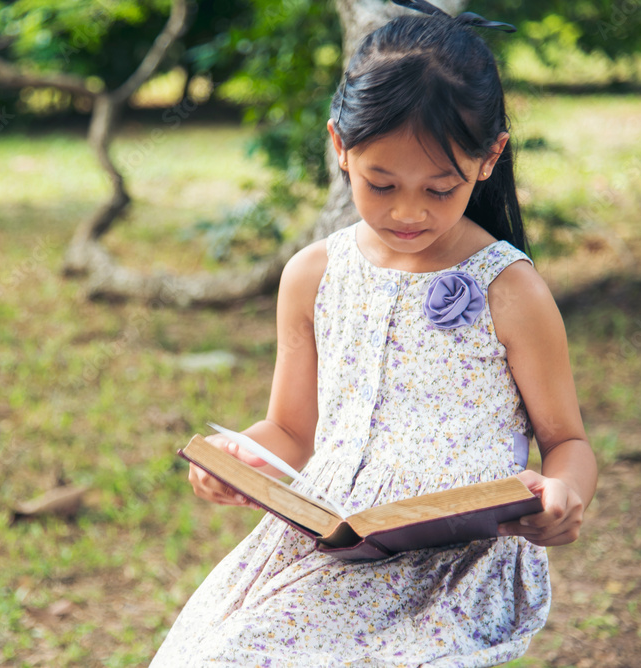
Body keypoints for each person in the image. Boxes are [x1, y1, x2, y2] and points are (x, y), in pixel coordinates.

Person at [151, 2, 597, 665]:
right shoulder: (313, 275)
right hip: (324, 550)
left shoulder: (509, 288)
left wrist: (563, 496)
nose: (409, 211)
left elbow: (567, 443)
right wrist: (241, 462)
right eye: (381, 184)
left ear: (488, 159)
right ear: (340, 148)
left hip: (452, 570)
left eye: (439, 189)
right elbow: (291, 432)